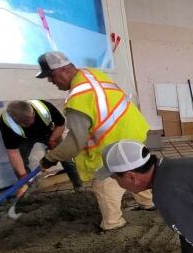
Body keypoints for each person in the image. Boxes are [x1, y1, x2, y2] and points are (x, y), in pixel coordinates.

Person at [35, 51, 154, 231]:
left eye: (51, 77)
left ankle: (113, 223)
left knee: (104, 184)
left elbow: (74, 143)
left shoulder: (77, 100)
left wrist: (50, 158)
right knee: (134, 169)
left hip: (112, 142)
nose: (51, 81)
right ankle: (149, 202)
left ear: (64, 70)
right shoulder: (91, 74)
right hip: (133, 131)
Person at [0, 100, 81, 196]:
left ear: (33, 112)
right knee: (21, 164)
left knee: (64, 157)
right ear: (16, 121)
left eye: (30, 119)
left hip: (49, 133)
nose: (30, 123)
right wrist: (23, 175)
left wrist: (52, 140)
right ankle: (28, 192)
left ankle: (79, 187)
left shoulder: (45, 108)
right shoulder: (6, 124)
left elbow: (61, 125)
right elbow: (13, 153)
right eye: (25, 122)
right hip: (24, 138)